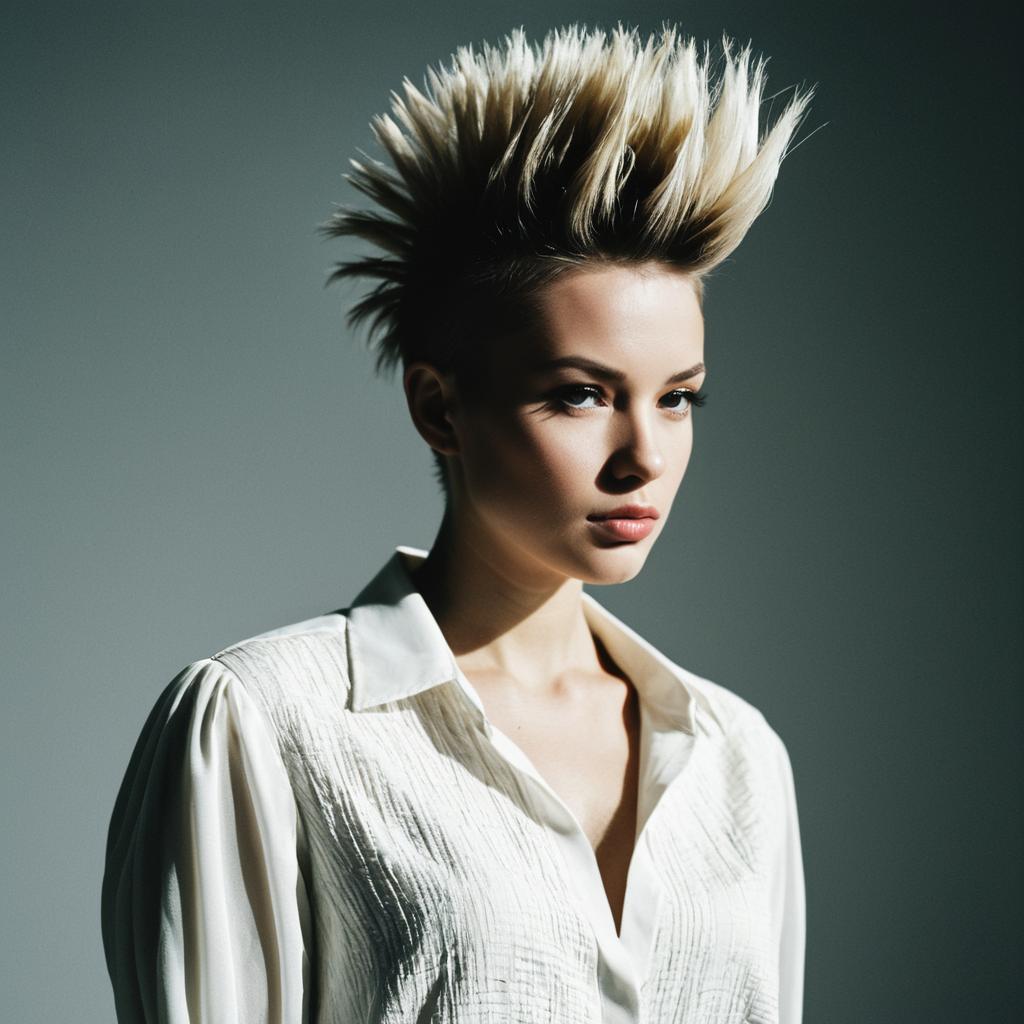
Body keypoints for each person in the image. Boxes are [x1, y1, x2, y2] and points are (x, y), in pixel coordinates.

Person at [101, 23, 816, 1024]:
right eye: (578, 394)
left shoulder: (736, 756)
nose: (643, 455)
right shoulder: (262, 723)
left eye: (676, 397)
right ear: (440, 407)